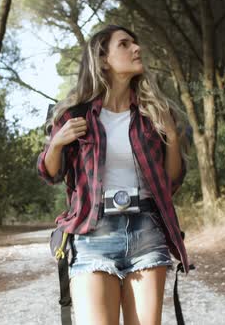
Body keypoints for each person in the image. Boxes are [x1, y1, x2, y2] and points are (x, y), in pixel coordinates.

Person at [37, 24, 191, 325]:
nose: (137, 49)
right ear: (103, 59)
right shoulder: (75, 115)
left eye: (136, 43)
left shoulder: (154, 113)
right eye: (125, 44)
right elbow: (50, 173)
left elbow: (172, 180)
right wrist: (56, 143)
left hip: (147, 232)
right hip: (93, 234)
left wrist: (171, 135)